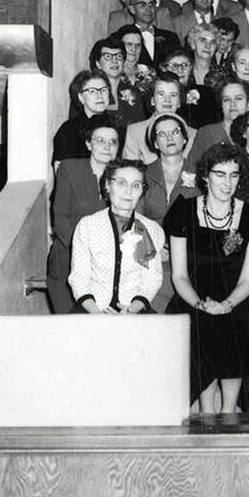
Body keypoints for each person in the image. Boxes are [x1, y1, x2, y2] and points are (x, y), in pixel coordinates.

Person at [165, 144, 249, 413]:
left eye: (234, 175)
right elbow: (179, 275)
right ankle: (207, 409)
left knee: (231, 322)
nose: (227, 182)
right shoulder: (183, 211)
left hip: (238, 297)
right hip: (192, 294)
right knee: (202, 321)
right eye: (220, 174)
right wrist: (200, 303)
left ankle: (229, 409)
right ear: (205, 177)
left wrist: (227, 304)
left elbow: (248, 279)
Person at [68, 159, 164, 314]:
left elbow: (152, 279)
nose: (129, 191)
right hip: (92, 309)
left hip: (134, 310)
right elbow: (79, 278)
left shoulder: (151, 229)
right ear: (107, 185)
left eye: (136, 185)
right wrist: (97, 314)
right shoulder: (87, 225)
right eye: (121, 183)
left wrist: (131, 310)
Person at [47, 115, 119, 313]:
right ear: (88, 144)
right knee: (70, 326)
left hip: (106, 265)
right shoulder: (70, 168)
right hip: (67, 258)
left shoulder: (122, 175)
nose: (107, 146)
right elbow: (60, 216)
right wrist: (83, 251)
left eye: (113, 142)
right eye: (100, 141)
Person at [139, 112, 201, 312]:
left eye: (175, 132)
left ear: (184, 138)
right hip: (152, 256)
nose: (169, 138)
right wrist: (154, 247)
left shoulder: (202, 174)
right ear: (155, 143)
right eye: (162, 134)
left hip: (191, 255)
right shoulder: (143, 174)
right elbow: (136, 219)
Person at [123, 72, 196, 165]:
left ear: (179, 102)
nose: (167, 100)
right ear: (152, 100)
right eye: (161, 94)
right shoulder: (135, 132)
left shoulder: (193, 135)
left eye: (173, 95)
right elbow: (130, 171)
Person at [53, 69, 112, 168]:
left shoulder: (115, 126)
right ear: (80, 97)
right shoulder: (68, 130)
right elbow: (62, 171)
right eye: (92, 91)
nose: (100, 96)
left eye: (103, 90)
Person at [187, 79, 249, 164]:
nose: (232, 104)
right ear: (221, 105)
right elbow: (192, 168)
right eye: (227, 99)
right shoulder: (206, 133)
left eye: (239, 98)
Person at [89, 36, 144, 127]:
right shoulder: (89, 92)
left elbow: (140, 129)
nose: (114, 61)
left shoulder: (134, 92)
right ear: (98, 63)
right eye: (107, 56)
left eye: (119, 56)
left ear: (123, 61)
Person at [125, 0, 182, 68]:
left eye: (151, 4)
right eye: (142, 5)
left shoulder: (170, 38)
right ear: (132, 9)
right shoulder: (123, 36)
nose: (149, 8)